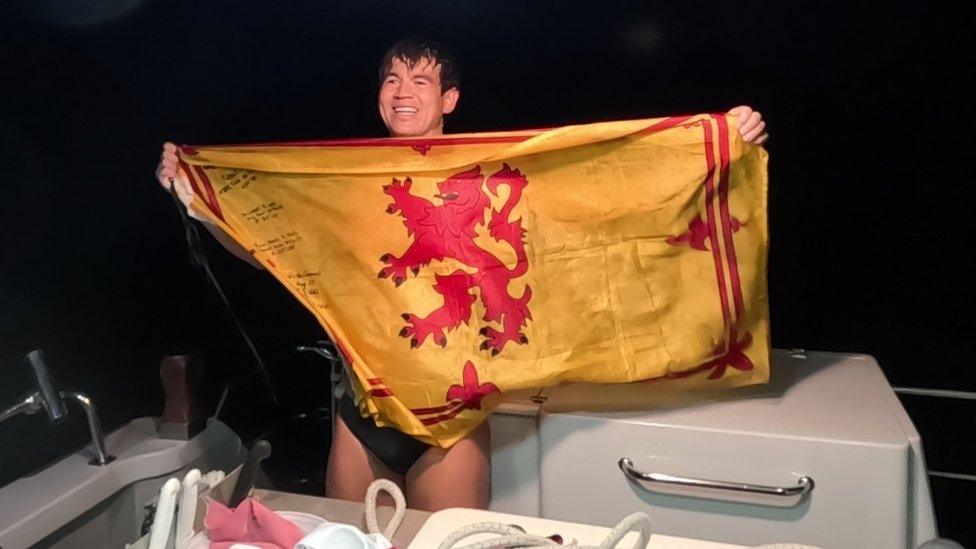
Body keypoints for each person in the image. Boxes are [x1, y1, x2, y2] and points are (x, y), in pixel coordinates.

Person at [155, 39, 768, 511]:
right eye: (391, 79)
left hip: (449, 424)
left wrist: (714, 141)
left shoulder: (488, 172)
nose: (402, 91)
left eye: (419, 80)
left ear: (448, 99)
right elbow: (267, 251)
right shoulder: (344, 188)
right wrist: (198, 199)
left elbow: (604, 203)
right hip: (359, 418)